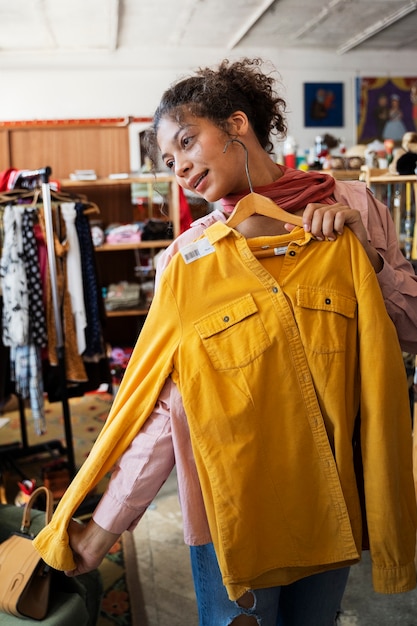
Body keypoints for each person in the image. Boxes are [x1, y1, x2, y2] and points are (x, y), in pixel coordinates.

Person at [33, 58, 417, 626]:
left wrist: (367, 257)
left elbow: (407, 333)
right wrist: (105, 525)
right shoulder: (187, 260)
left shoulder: (354, 206)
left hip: (334, 488)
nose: (181, 167)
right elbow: (165, 409)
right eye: (168, 159)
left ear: (237, 124)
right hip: (231, 502)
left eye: (187, 141)